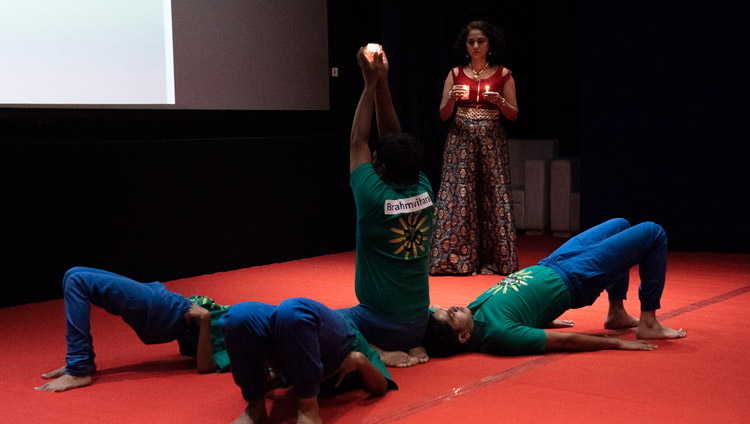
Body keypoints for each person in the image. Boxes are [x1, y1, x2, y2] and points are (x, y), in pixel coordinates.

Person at [423, 219, 687, 358]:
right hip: (575, 278)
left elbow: (427, 309)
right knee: (653, 233)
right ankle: (649, 323)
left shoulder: (472, 317)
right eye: (450, 315)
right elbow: (566, 341)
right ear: (463, 338)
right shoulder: (499, 335)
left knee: (620, 224)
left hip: (553, 263)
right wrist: (616, 345)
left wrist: (541, 317)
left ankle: (616, 313)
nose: (452, 308)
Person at [338, 45, 434, 367]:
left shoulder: (373, 197)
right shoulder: (424, 189)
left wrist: (369, 84)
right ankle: (415, 346)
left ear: (380, 168)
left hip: (377, 324)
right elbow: (394, 139)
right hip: (419, 323)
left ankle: (377, 351)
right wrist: (383, 82)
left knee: (315, 320)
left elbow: (357, 142)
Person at [35, 267, 230, 392]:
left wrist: (204, 319)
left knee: (78, 282)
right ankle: (83, 362)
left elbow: (207, 367)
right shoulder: (246, 327)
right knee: (73, 274)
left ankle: (78, 369)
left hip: (167, 314)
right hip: (167, 301)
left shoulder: (242, 344)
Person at [430, 20, 519, 276]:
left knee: (494, 196)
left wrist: (500, 101)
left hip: (492, 141)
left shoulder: (503, 74)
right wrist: (451, 100)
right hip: (461, 140)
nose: (476, 46)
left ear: (489, 44)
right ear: (465, 46)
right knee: (459, 197)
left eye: (481, 41)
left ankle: (496, 261)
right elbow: (443, 114)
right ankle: (455, 261)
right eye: (471, 42)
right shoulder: (455, 74)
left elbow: (513, 114)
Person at [220, 298, 395, 424]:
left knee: (245, 317)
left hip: (297, 327)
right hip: (335, 328)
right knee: (243, 317)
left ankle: (308, 407)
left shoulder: (353, 360)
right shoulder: (358, 343)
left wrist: (360, 361)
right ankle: (255, 406)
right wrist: (360, 357)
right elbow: (381, 385)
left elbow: (380, 386)